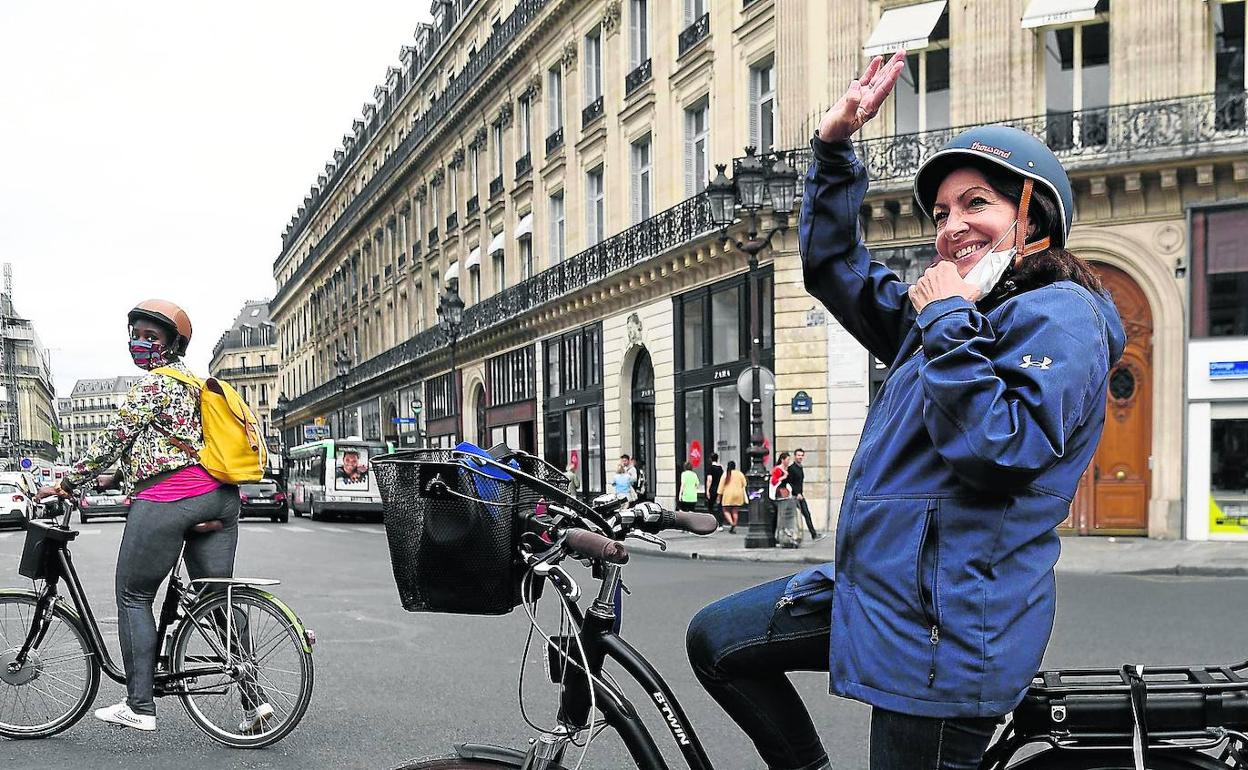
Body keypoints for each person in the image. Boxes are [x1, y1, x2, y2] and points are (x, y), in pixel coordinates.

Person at [687, 50, 1124, 770]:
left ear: (1033, 215)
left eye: (976, 203)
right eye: (943, 212)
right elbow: (837, 268)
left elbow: (1002, 449)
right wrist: (833, 150)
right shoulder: (950, 317)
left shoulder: (1062, 314)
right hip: (883, 592)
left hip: (946, 636)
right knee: (719, 639)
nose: (951, 227)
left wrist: (947, 318)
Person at [37, 300, 271, 735]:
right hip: (219, 498)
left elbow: (112, 439)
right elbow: (163, 447)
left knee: (133, 595)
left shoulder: (154, 385)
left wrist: (68, 484)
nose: (140, 343)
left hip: (172, 498)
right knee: (215, 597)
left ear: (173, 345)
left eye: (151, 337)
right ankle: (255, 699)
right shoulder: (197, 384)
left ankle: (139, 705)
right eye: (136, 335)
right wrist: (112, 480)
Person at [789, 448, 823, 541]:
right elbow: (790, 483)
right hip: (794, 496)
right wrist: (797, 493)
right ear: (795, 456)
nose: (800, 457)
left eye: (801, 455)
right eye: (798, 455)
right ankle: (810, 535)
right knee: (794, 516)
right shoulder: (792, 468)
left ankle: (814, 534)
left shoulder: (800, 467)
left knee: (807, 514)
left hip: (800, 495)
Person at [716, 460, 746, 534]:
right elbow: (744, 484)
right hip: (738, 494)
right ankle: (734, 524)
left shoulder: (726, 474)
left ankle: (732, 523)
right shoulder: (740, 474)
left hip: (728, 494)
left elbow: (721, 486)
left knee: (725, 510)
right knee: (735, 511)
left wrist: (719, 496)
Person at [704, 452, 725, 529]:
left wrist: (707, 490)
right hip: (719, 489)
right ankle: (720, 524)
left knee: (710, 507)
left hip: (712, 489)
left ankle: (712, 523)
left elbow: (709, 479)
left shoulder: (710, 468)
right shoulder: (720, 468)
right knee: (719, 507)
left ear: (711, 459)